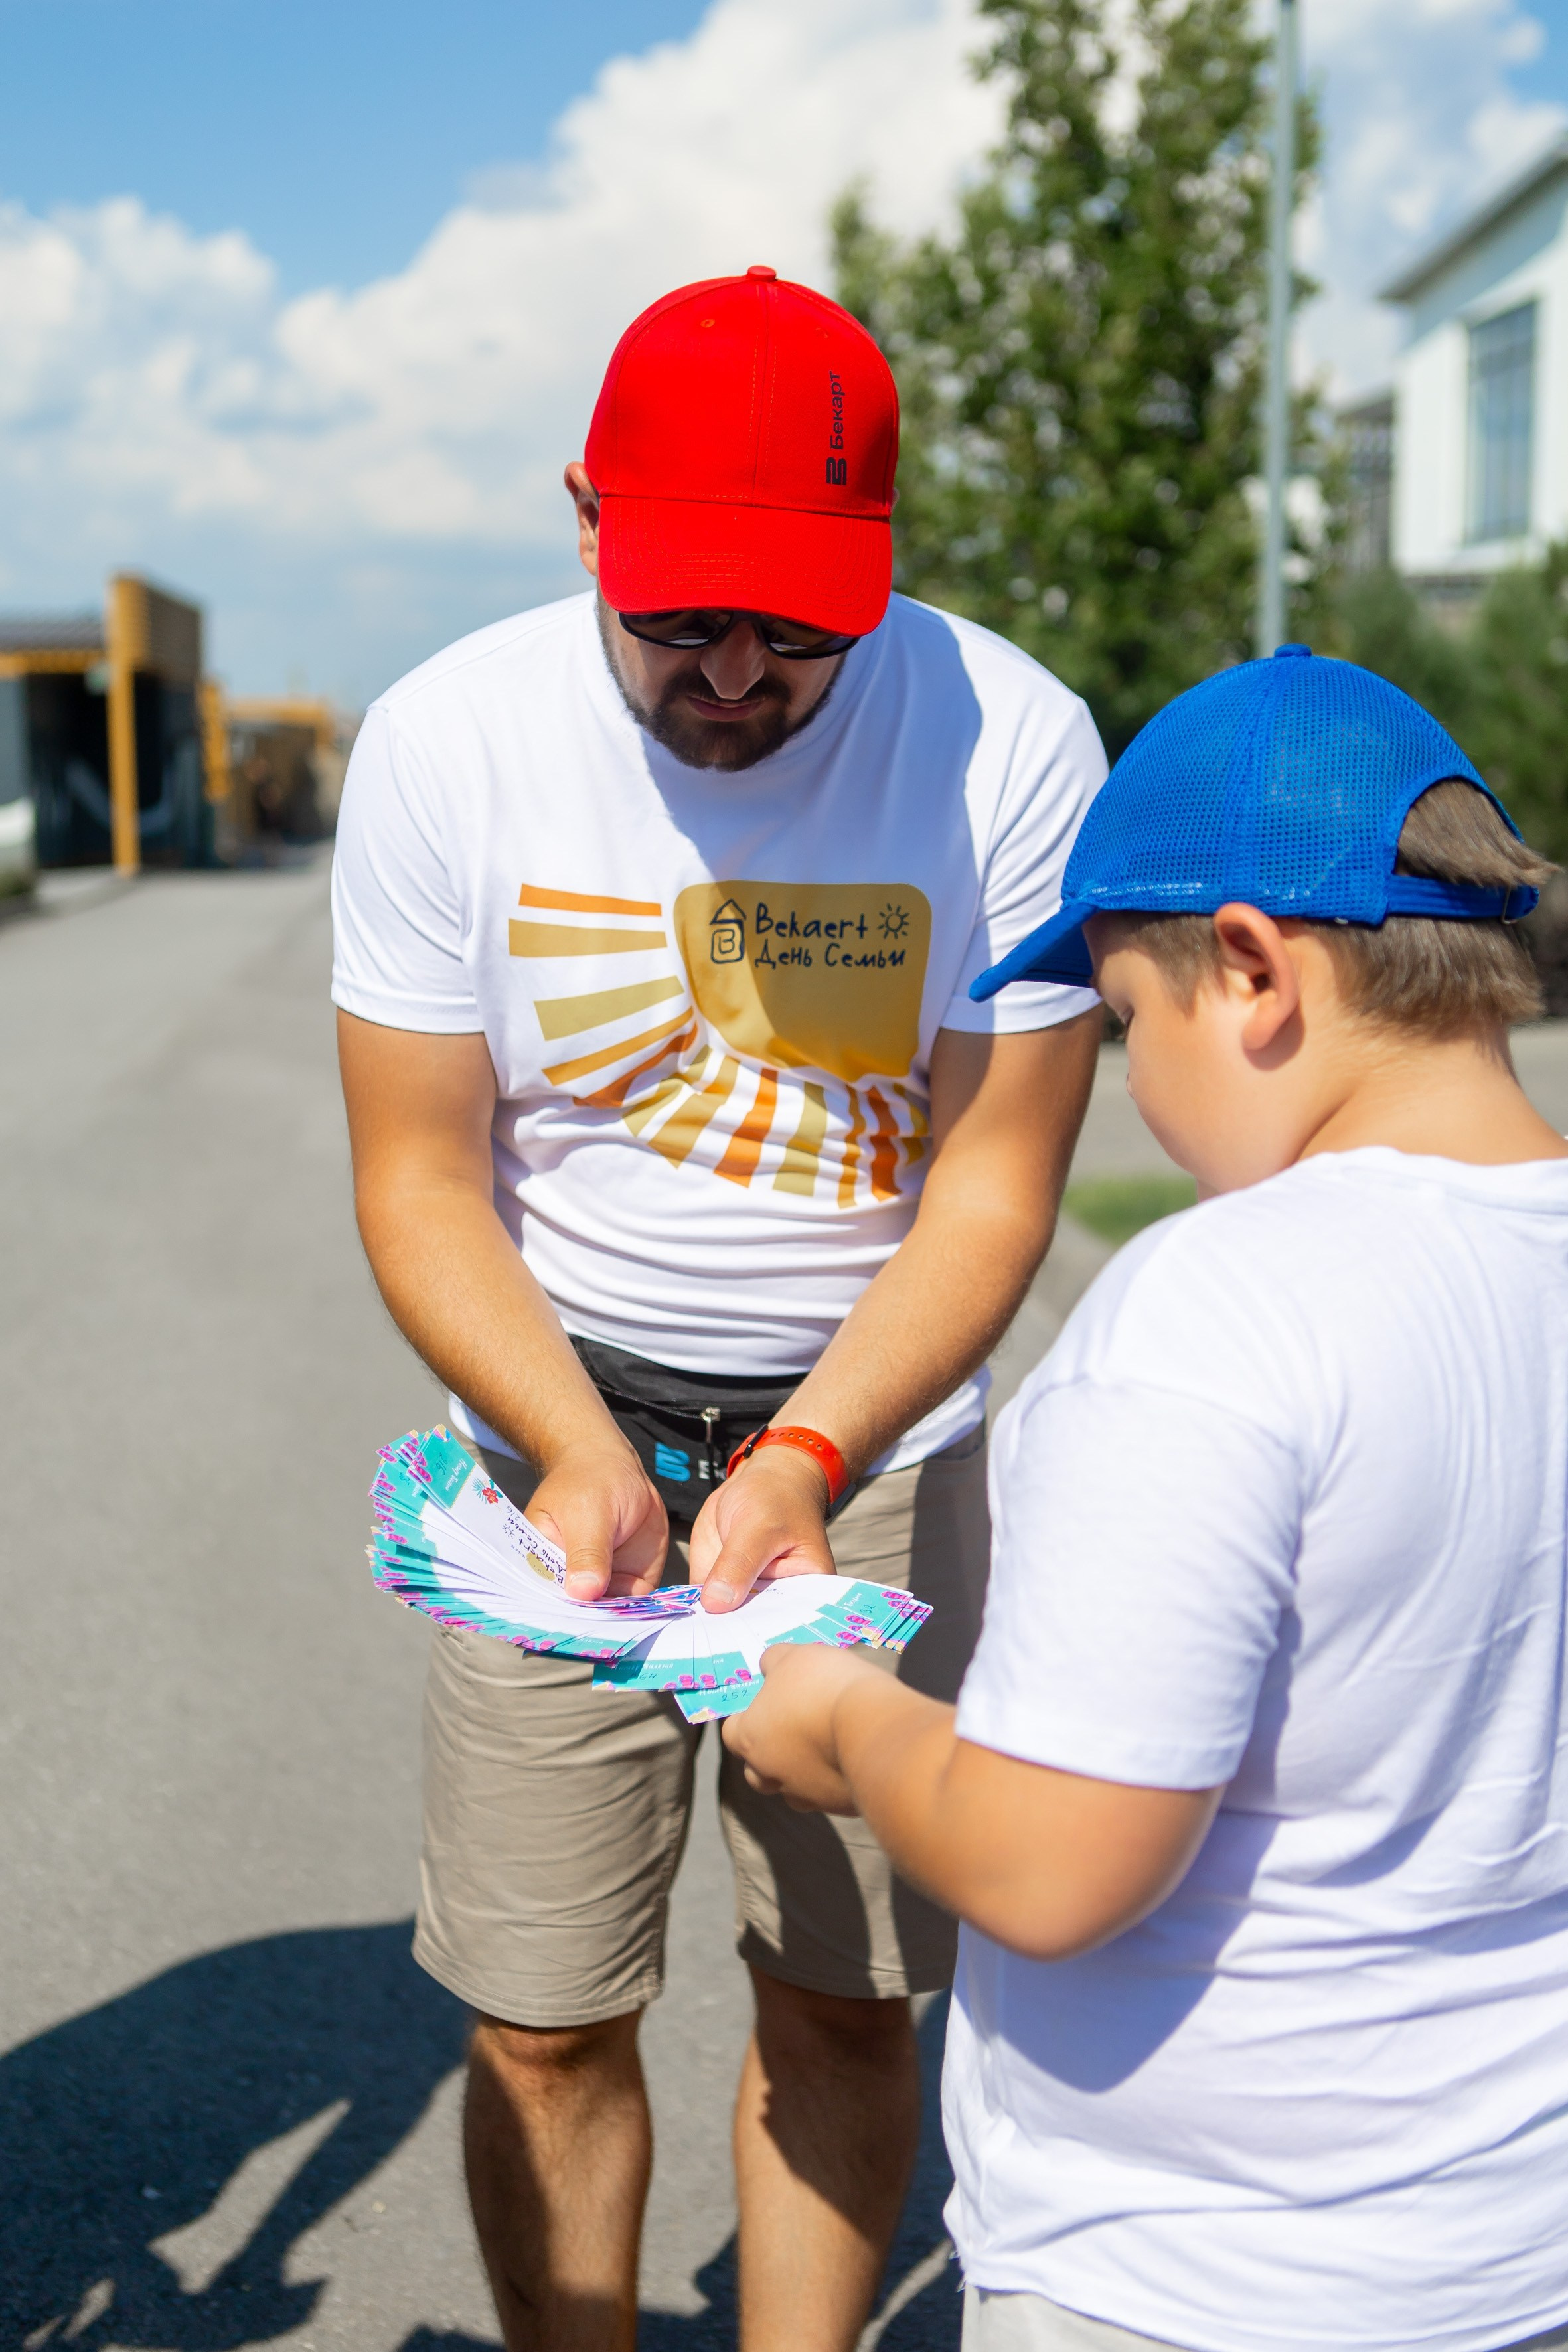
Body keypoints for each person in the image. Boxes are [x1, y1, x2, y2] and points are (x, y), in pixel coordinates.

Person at [330, 264, 1107, 2352]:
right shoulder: (448, 741)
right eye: (684, 617)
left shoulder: (1010, 740)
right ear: (587, 515)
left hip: (869, 1449)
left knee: (845, 2002)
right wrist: (581, 1450)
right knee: (541, 2015)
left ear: (885, 559)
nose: (743, 675)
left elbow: (997, 1177)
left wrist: (801, 1455)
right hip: (555, 1423)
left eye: (799, 623)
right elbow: (418, 1172)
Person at [726, 645, 1568, 2352]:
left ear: (1250, 971)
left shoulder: (1216, 1306)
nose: (1134, 1084)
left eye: (1121, 1021)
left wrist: (834, 1714)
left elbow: (1049, 1862)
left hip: (1195, 2276)